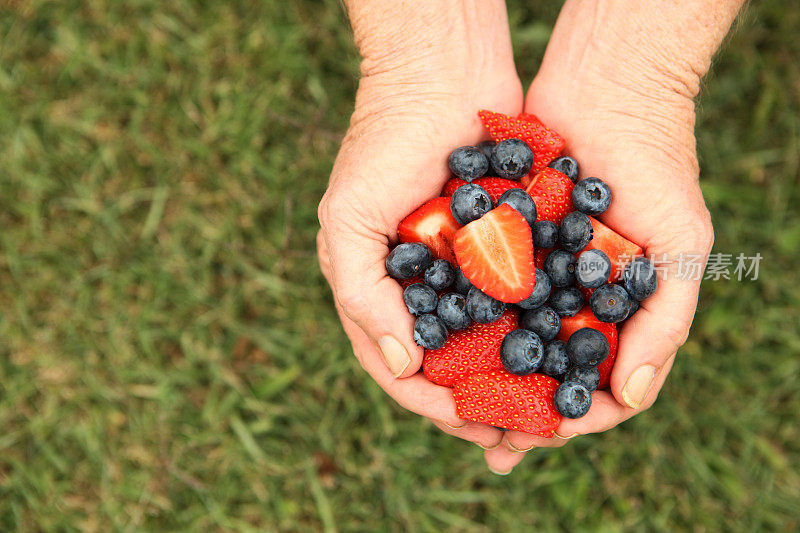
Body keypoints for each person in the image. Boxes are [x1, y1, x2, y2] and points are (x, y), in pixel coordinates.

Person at [317, 0, 744, 475]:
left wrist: (640, 84)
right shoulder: (503, 248)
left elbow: (528, 283)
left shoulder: (537, 251)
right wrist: (419, 70)